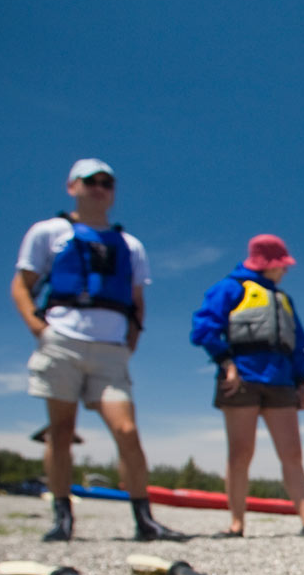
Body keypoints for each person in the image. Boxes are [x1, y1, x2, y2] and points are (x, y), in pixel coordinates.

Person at [10, 158, 188, 543]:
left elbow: (137, 300)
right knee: (61, 431)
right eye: (91, 181)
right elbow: (21, 284)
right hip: (62, 340)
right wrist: (39, 328)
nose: (99, 188)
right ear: (72, 186)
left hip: (111, 350)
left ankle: (145, 520)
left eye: (107, 183)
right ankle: (62, 517)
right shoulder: (48, 232)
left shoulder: (130, 245)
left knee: (127, 430)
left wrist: (130, 342)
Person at [190, 234, 304, 539]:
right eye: (282, 264)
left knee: (292, 453)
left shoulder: (283, 299)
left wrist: (301, 382)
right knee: (240, 453)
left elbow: (298, 344)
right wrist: (226, 362)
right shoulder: (229, 288)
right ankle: (236, 523)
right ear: (267, 263)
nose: (285, 270)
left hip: (281, 380)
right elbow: (204, 329)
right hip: (241, 378)